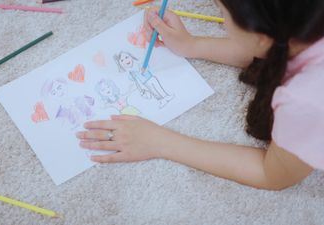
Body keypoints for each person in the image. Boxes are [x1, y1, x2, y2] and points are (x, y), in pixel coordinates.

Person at [76, 0, 324, 190]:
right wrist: (192, 45)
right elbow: (271, 47)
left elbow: (273, 174)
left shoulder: (306, 100)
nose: (221, 21)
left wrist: (159, 142)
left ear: (261, 35)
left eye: (222, 12)